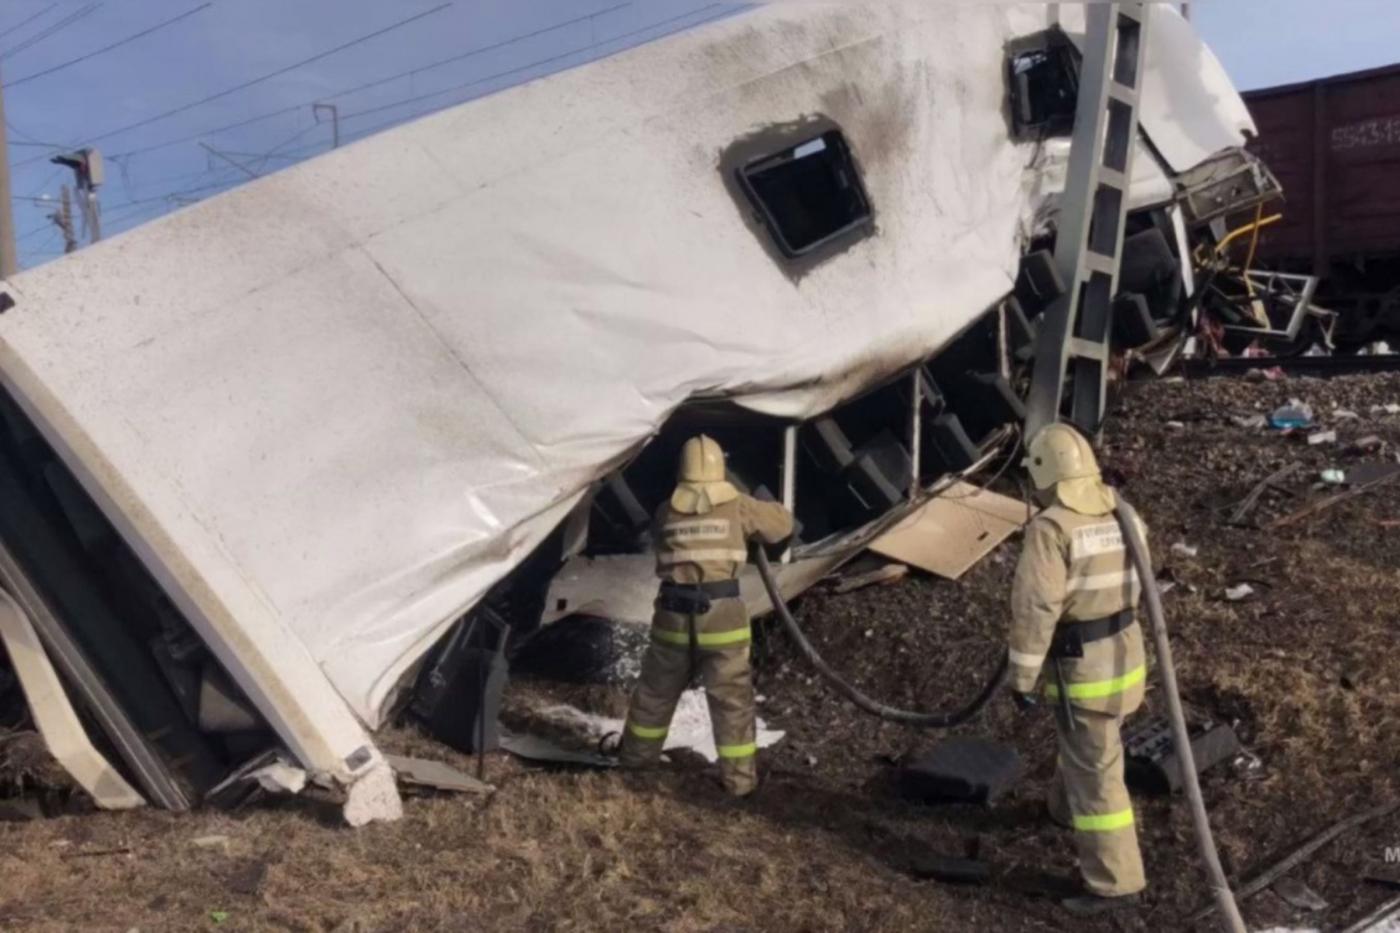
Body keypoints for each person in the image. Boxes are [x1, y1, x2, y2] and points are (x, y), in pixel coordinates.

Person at [1008, 422, 1150, 916]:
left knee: (1098, 772)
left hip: (1085, 670)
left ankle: (1116, 881)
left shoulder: (1051, 529)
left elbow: (1035, 608)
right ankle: (1062, 811)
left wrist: (1022, 677)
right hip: (1125, 660)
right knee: (1089, 748)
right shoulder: (1122, 512)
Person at [619, 434, 793, 796]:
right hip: (720, 617)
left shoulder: (666, 511)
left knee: (654, 693)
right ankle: (740, 783)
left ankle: (635, 764)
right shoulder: (740, 507)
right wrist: (766, 506)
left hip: (672, 616)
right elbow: (782, 526)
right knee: (730, 699)